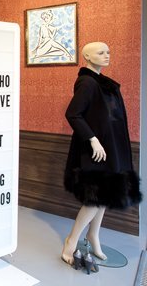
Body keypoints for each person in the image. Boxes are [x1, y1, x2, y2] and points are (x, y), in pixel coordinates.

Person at [61, 41, 141, 267]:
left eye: (108, 52)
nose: (106, 55)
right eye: (100, 52)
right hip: (96, 149)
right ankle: (71, 241)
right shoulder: (87, 83)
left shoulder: (102, 83)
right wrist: (93, 139)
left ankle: (93, 235)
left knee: (104, 195)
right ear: (87, 56)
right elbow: (73, 114)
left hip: (111, 146)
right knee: (95, 199)